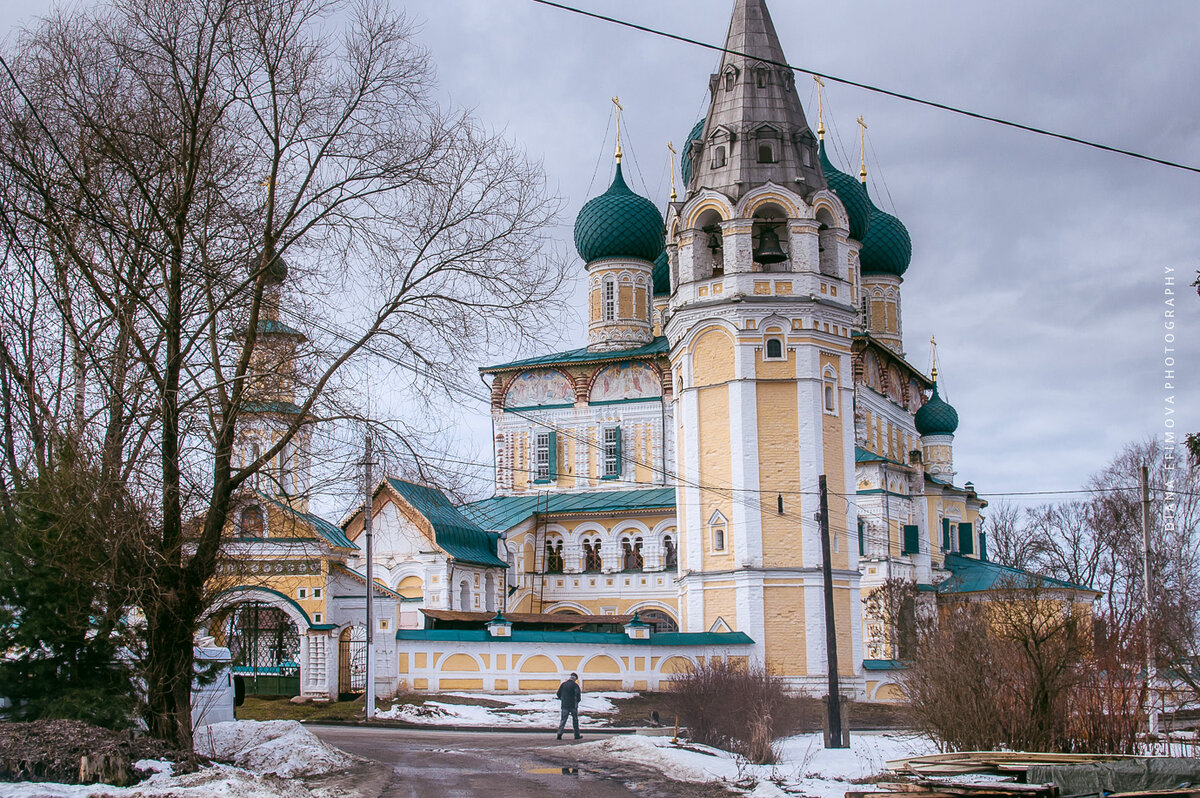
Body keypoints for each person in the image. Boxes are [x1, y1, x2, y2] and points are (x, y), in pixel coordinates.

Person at [555, 672, 582, 740]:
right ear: (575, 679)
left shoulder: (563, 684)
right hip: (573, 705)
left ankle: (559, 734)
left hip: (564, 705)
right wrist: (577, 701)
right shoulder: (575, 685)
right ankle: (576, 735)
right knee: (575, 720)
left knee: (563, 720)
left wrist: (563, 699)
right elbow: (578, 695)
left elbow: (558, 694)